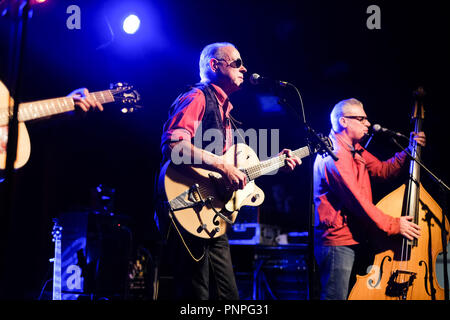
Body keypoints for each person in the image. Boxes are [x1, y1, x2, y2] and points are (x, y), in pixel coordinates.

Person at [155, 42, 301, 300]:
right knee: (196, 294)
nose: (244, 68)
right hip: (187, 206)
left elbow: (235, 170)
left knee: (228, 295)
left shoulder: (226, 111)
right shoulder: (197, 97)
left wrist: (276, 163)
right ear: (215, 65)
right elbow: (174, 147)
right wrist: (222, 166)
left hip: (212, 214)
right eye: (236, 63)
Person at [313, 98, 425, 300]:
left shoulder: (355, 149)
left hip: (355, 237)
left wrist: (409, 151)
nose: (368, 123)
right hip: (337, 243)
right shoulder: (335, 156)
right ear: (343, 121)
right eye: (361, 119)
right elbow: (359, 202)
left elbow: (383, 170)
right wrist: (394, 224)